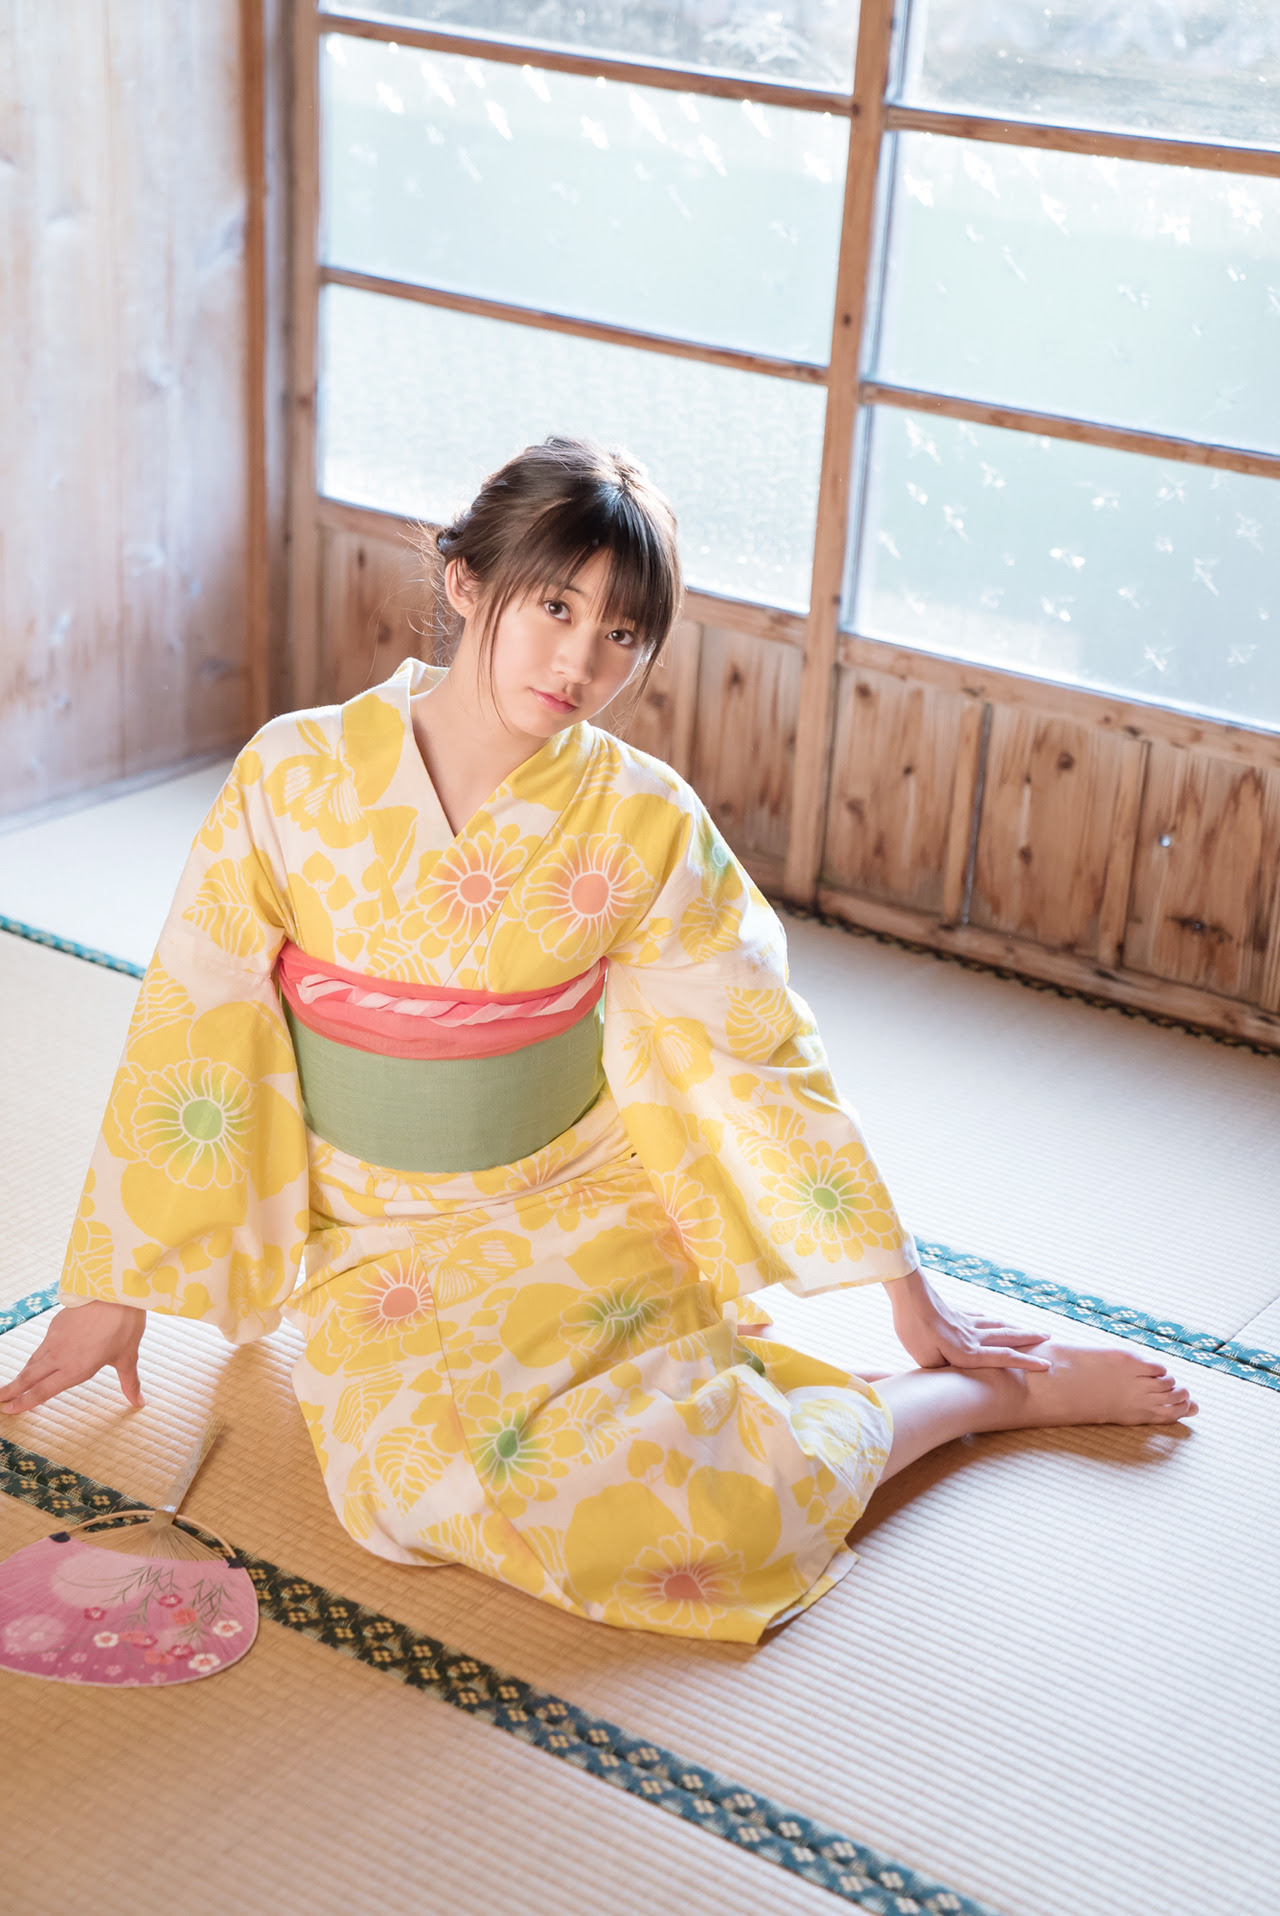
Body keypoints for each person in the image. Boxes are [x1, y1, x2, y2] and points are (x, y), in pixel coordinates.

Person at [0, 436, 1197, 1641]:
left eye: (622, 632)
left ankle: (956, 1400)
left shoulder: (640, 817)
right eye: (555, 607)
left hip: (575, 1199)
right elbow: (196, 1017)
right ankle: (891, 1410)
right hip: (374, 1226)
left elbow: (752, 1047)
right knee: (418, 1492)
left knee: (713, 1511)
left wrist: (903, 1285)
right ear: (467, 581)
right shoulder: (293, 772)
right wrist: (118, 1287)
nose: (580, 660)